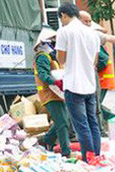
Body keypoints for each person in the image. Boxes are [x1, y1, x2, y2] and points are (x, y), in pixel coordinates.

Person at [55, 3, 102, 163]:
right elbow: (95, 60)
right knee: (93, 123)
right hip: (90, 85)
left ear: (63, 15)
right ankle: (96, 156)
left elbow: (61, 59)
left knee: (81, 126)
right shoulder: (92, 33)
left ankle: (88, 160)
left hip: (74, 85)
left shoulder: (64, 31)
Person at [33, 28, 70, 157]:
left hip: (57, 94)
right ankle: (66, 153)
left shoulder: (51, 57)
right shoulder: (42, 57)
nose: (55, 44)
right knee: (62, 123)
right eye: (52, 41)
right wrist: (56, 82)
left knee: (64, 121)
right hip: (49, 95)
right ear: (45, 43)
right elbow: (43, 75)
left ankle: (46, 140)